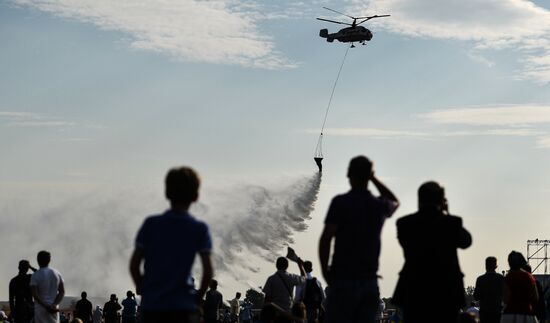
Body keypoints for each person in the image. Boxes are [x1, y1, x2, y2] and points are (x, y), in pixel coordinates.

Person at [319, 156, 399, 323]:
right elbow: (394, 201)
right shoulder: (377, 205)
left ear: (349, 174)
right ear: (368, 176)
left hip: (342, 279)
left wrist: (326, 272)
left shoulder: (340, 203)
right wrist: (373, 177)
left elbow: (326, 238)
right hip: (369, 281)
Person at [129, 166, 214, 323]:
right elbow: (208, 272)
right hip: (184, 307)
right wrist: (198, 297)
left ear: (167, 193)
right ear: (195, 196)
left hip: (153, 307)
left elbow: (134, 265)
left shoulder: (150, 224)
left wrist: (143, 289)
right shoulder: (199, 229)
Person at [392, 181, 471, 323]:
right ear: (441, 200)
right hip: (447, 291)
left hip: (414, 289)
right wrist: (447, 213)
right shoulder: (452, 223)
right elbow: (466, 241)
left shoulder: (404, 223)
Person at [500, 251, 538, 323]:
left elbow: (505, 299)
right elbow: (535, 297)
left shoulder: (508, 278)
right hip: (527, 313)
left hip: (509, 314)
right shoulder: (529, 277)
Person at [30, 251, 65, 323]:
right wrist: (54, 304)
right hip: (54, 309)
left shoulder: (35, 275)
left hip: (41, 309)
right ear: (49, 260)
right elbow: (62, 291)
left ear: (38, 260)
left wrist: (45, 306)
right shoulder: (57, 273)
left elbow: (35, 295)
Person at [473, 257, 504, 323]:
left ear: (486, 266)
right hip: (497, 311)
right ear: (496, 266)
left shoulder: (480, 279)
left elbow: (476, 296)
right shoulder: (500, 278)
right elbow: (505, 295)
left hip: (484, 312)